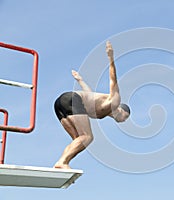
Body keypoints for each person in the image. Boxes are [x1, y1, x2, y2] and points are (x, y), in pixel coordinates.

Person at [53, 41, 130, 169]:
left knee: (78, 140)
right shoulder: (114, 101)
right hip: (72, 99)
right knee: (87, 137)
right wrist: (111, 57)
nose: (123, 120)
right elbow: (113, 80)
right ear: (121, 110)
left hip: (61, 103)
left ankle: (60, 164)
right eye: (125, 117)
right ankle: (62, 162)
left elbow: (89, 94)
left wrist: (80, 80)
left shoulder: (101, 112)